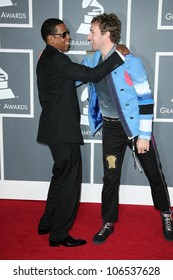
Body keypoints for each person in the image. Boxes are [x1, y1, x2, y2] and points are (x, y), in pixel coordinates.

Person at [81, 13, 173, 244]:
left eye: (92, 32)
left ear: (106, 35)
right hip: (111, 129)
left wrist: (143, 135)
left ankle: (166, 213)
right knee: (110, 176)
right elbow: (74, 76)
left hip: (134, 130)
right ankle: (107, 222)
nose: (88, 36)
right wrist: (51, 61)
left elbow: (146, 99)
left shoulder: (131, 62)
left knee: (154, 173)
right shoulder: (91, 60)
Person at [36, 18, 128, 247]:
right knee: (69, 183)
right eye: (64, 34)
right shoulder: (57, 59)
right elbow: (93, 75)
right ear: (50, 38)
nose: (69, 38)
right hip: (63, 132)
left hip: (54, 130)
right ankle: (58, 235)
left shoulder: (46, 58)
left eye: (67, 33)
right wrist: (118, 56)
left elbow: (80, 73)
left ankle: (46, 223)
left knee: (59, 177)